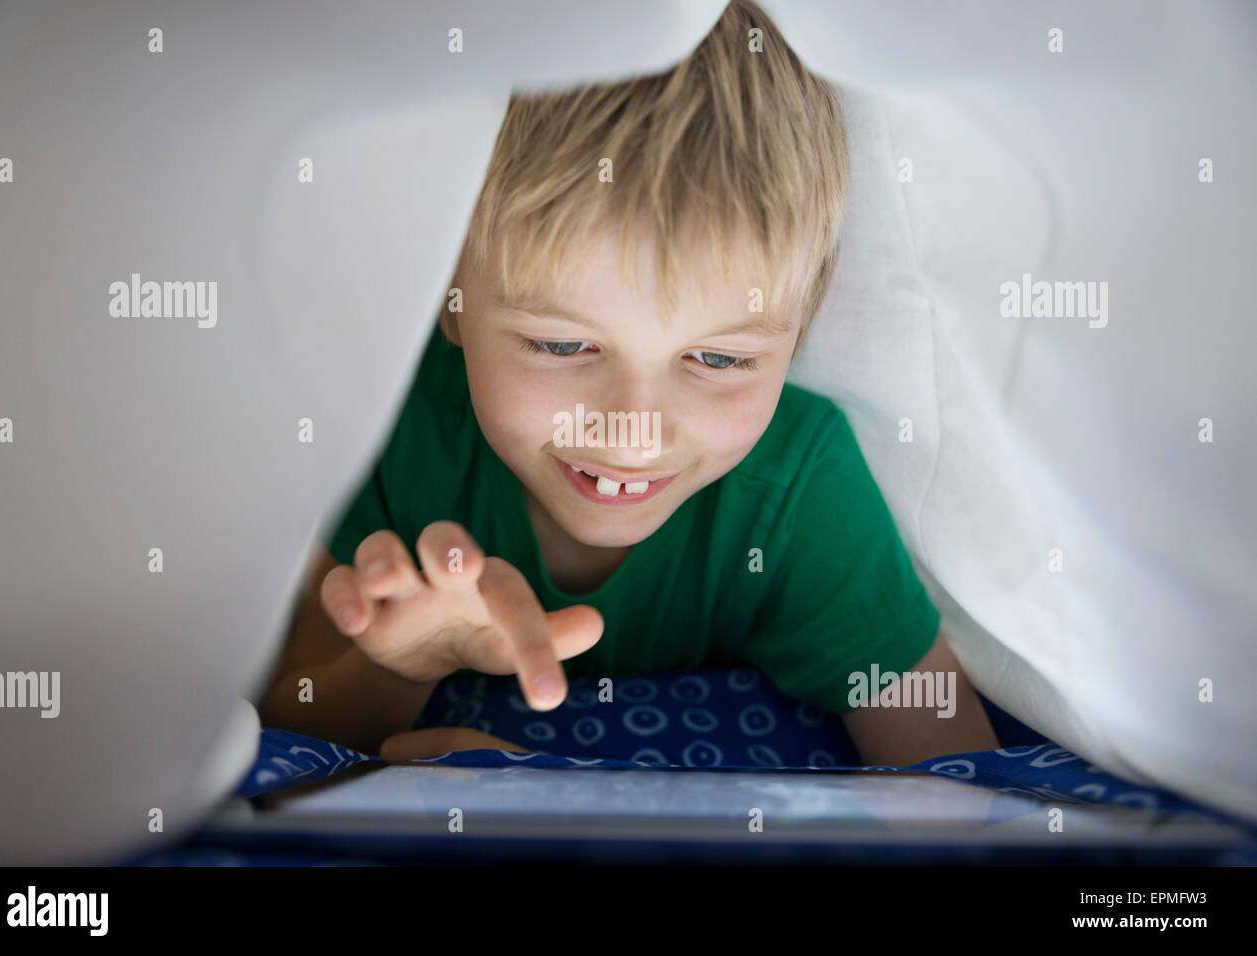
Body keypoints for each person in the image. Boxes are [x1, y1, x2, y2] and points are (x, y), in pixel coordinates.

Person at [259, 0, 999, 765]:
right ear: (448, 295)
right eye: (562, 343)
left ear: (802, 322)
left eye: (718, 360)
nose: (632, 431)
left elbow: (953, 778)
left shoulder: (799, 492)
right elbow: (283, 742)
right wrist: (395, 666)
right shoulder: (392, 427)